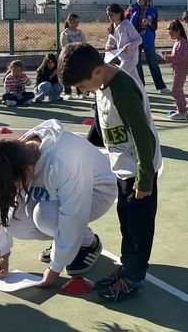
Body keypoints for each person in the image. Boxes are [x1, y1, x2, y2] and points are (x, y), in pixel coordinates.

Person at [58, 43, 162, 303]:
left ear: (96, 73)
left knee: (139, 227)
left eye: (82, 86)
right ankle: (127, 268)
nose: (83, 91)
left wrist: (145, 177)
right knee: (126, 220)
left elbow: (143, 136)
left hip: (140, 169)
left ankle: (134, 277)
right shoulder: (101, 86)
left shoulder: (123, 90)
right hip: (123, 167)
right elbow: (101, 118)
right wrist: (88, 143)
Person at [0, 119, 116, 288]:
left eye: (14, 184)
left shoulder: (63, 160)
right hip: (56, 191)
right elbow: (6, 206)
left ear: (29, 170)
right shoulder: (17, 157)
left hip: (98, 191)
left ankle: (89, 242)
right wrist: (3, 254)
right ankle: (65, 242)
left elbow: (74, 214)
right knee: (15, 224)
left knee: (46, 216)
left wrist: (54, 269)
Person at [128, 0, 171, 95]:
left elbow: (155, 26)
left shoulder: (153, 10)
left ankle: (161, 86)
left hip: (148, 40)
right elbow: (125, 22)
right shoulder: (132, 8)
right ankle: (140, 86)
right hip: (135, 40)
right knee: (137, 64)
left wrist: (149, 23)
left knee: (153, 63)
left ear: (147, 0)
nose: (138, 1)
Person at [161, 19, 188, 121]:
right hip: (177, 69)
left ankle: (182, 111)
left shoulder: (182, 42)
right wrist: (169, 57)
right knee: (179, 89)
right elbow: (177, 55)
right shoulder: (177, 42)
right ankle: (183, 108)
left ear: (178, 31)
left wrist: (170, 58)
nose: (170, 36)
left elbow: (182, 57)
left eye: (172, 33)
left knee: (175, 91)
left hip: (181, 70)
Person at [105, 3, 142, 78]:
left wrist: (129, 46)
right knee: (136, 81)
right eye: (108, 15)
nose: (109, 17)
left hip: (131, 58)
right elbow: (111, 40)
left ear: (119, 14)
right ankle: (141, 90)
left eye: (111, 15)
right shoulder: (114, 26)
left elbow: (139, 39)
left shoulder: (127, 25)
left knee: (119, 77)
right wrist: (108, 46)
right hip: (123, 58)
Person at [60, 14, 87, 99]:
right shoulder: (65, 33)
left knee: (78, 74)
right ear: (69, 21)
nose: (76, 23)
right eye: (74, 21)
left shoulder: (80, 32)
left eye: (77, 21)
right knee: (68, 74)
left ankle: (79, 92)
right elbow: (64, 46)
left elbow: (84, 43)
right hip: (68, 57)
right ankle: (68, 93)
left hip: (78, 57)